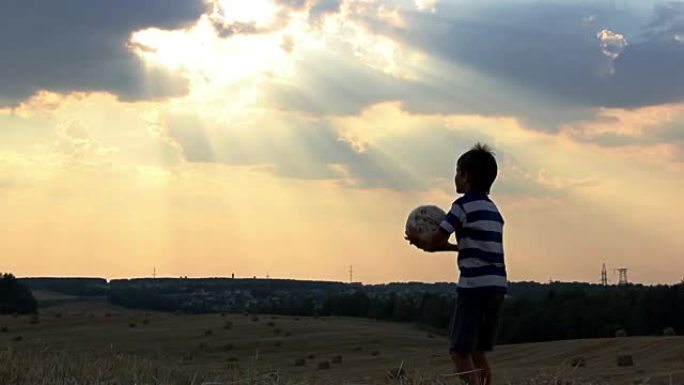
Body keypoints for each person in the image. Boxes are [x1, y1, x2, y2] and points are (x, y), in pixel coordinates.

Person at [405, 143, 506, 385]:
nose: (455, 177)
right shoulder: (493, 210)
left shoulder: (461, 207)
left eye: (457, 171)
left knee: (459, 352)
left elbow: (436, 239)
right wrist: (445, 247)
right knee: (477, 351)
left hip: (473, 288)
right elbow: (468, 246)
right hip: (497, 287)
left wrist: (419, 240)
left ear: (466, 176)